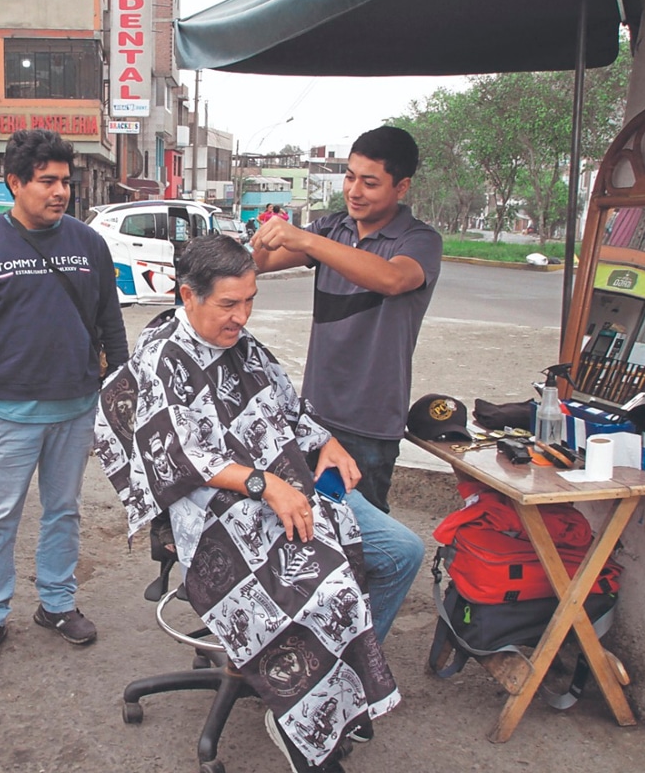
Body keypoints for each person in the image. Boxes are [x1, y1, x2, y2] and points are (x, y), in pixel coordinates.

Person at [95, 233, 411, 772]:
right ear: (187, 295)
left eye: (249, 302)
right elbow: (186, 457)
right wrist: (268, 485)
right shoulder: (163, 358)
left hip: (292, 486)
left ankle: (333, 683)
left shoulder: (242, 344)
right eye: (228, 304)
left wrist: (326, 443)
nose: (242, 317)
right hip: (217, 513)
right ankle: (295, 710)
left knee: (402, 553)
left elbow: (289, 408)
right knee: (327, 586)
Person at [0, 129, 129, 665]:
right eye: (47, 181)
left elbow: (110, 324)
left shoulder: (89, 244)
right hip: (7, 415)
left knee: (63, 511)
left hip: (75, 409)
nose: (60, 191)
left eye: (65, 181)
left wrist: (116, 391)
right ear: (15, 183)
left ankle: (57, 603)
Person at [252, 126, 442, 514]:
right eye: (350, 177)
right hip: (315, 415)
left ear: (401, 187)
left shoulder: (419, 240)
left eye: (370, 183)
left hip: (370, 424)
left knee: (364, 540)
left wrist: (305, 240)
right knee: (310, 527)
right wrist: (258, 245)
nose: (354, 191)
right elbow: (260, 264)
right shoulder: (332, 228)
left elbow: (392, 279)